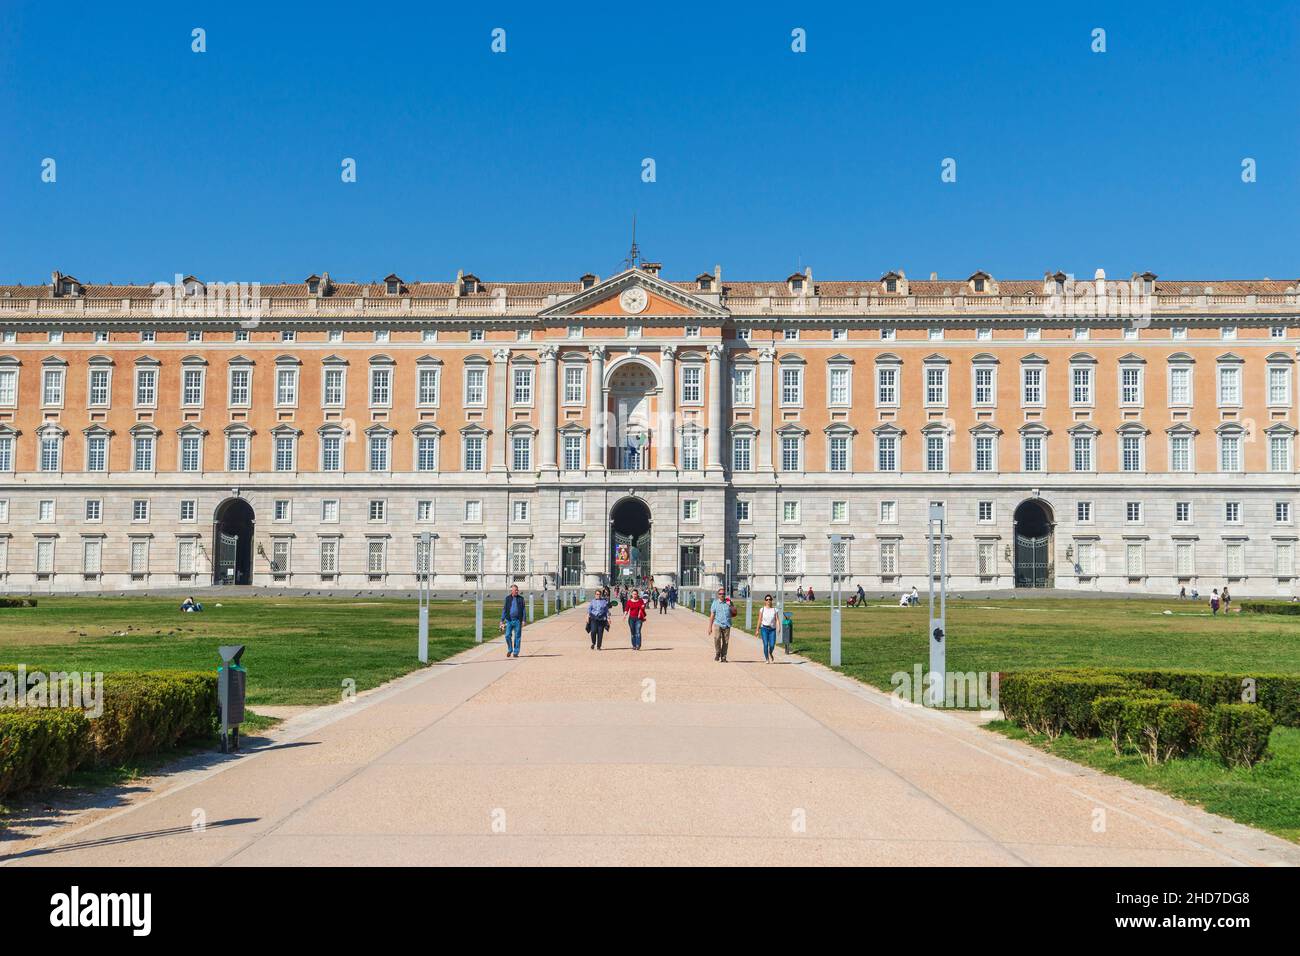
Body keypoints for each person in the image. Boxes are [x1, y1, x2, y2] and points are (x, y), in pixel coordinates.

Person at [499, 584, 526, 658]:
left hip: (518, 620)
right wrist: (502, 620)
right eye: (515, 590)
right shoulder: (507, 598)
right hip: (509, 620)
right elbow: (504, 609)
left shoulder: (521, 599)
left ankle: (516, 652)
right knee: (507, 635)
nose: (517, 591)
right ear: (512, 591)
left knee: (517, 637)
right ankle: (510, 649)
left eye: (517, 590)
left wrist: (524, 620)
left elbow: (524, 610)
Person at [708, 586, 733, 662]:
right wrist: (710, 627)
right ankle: (718, 652)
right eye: (720, 594)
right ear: (718, 595)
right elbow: (712, 615)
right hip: (717, 623)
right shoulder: (715, 603)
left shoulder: (729, 602)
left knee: (726, 642)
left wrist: (730, 605)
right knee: (717, 638)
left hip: (727, 624)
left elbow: (734, 612)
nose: (722, 595)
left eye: (723, 594)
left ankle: (723, 656)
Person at [755, 593, 780, 663]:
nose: (768, 601)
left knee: (772, 645)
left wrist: (779, 627)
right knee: (765, 644)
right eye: (767, 599)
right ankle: (767, 659)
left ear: (772, 600)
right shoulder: (762, 609)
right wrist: (757, 630)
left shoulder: (775, 609)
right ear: (765, 601)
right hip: (764, 629)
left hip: (772, 630)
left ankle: (770, 652)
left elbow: (777, 619)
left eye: (770, 599)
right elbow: (759, 620)